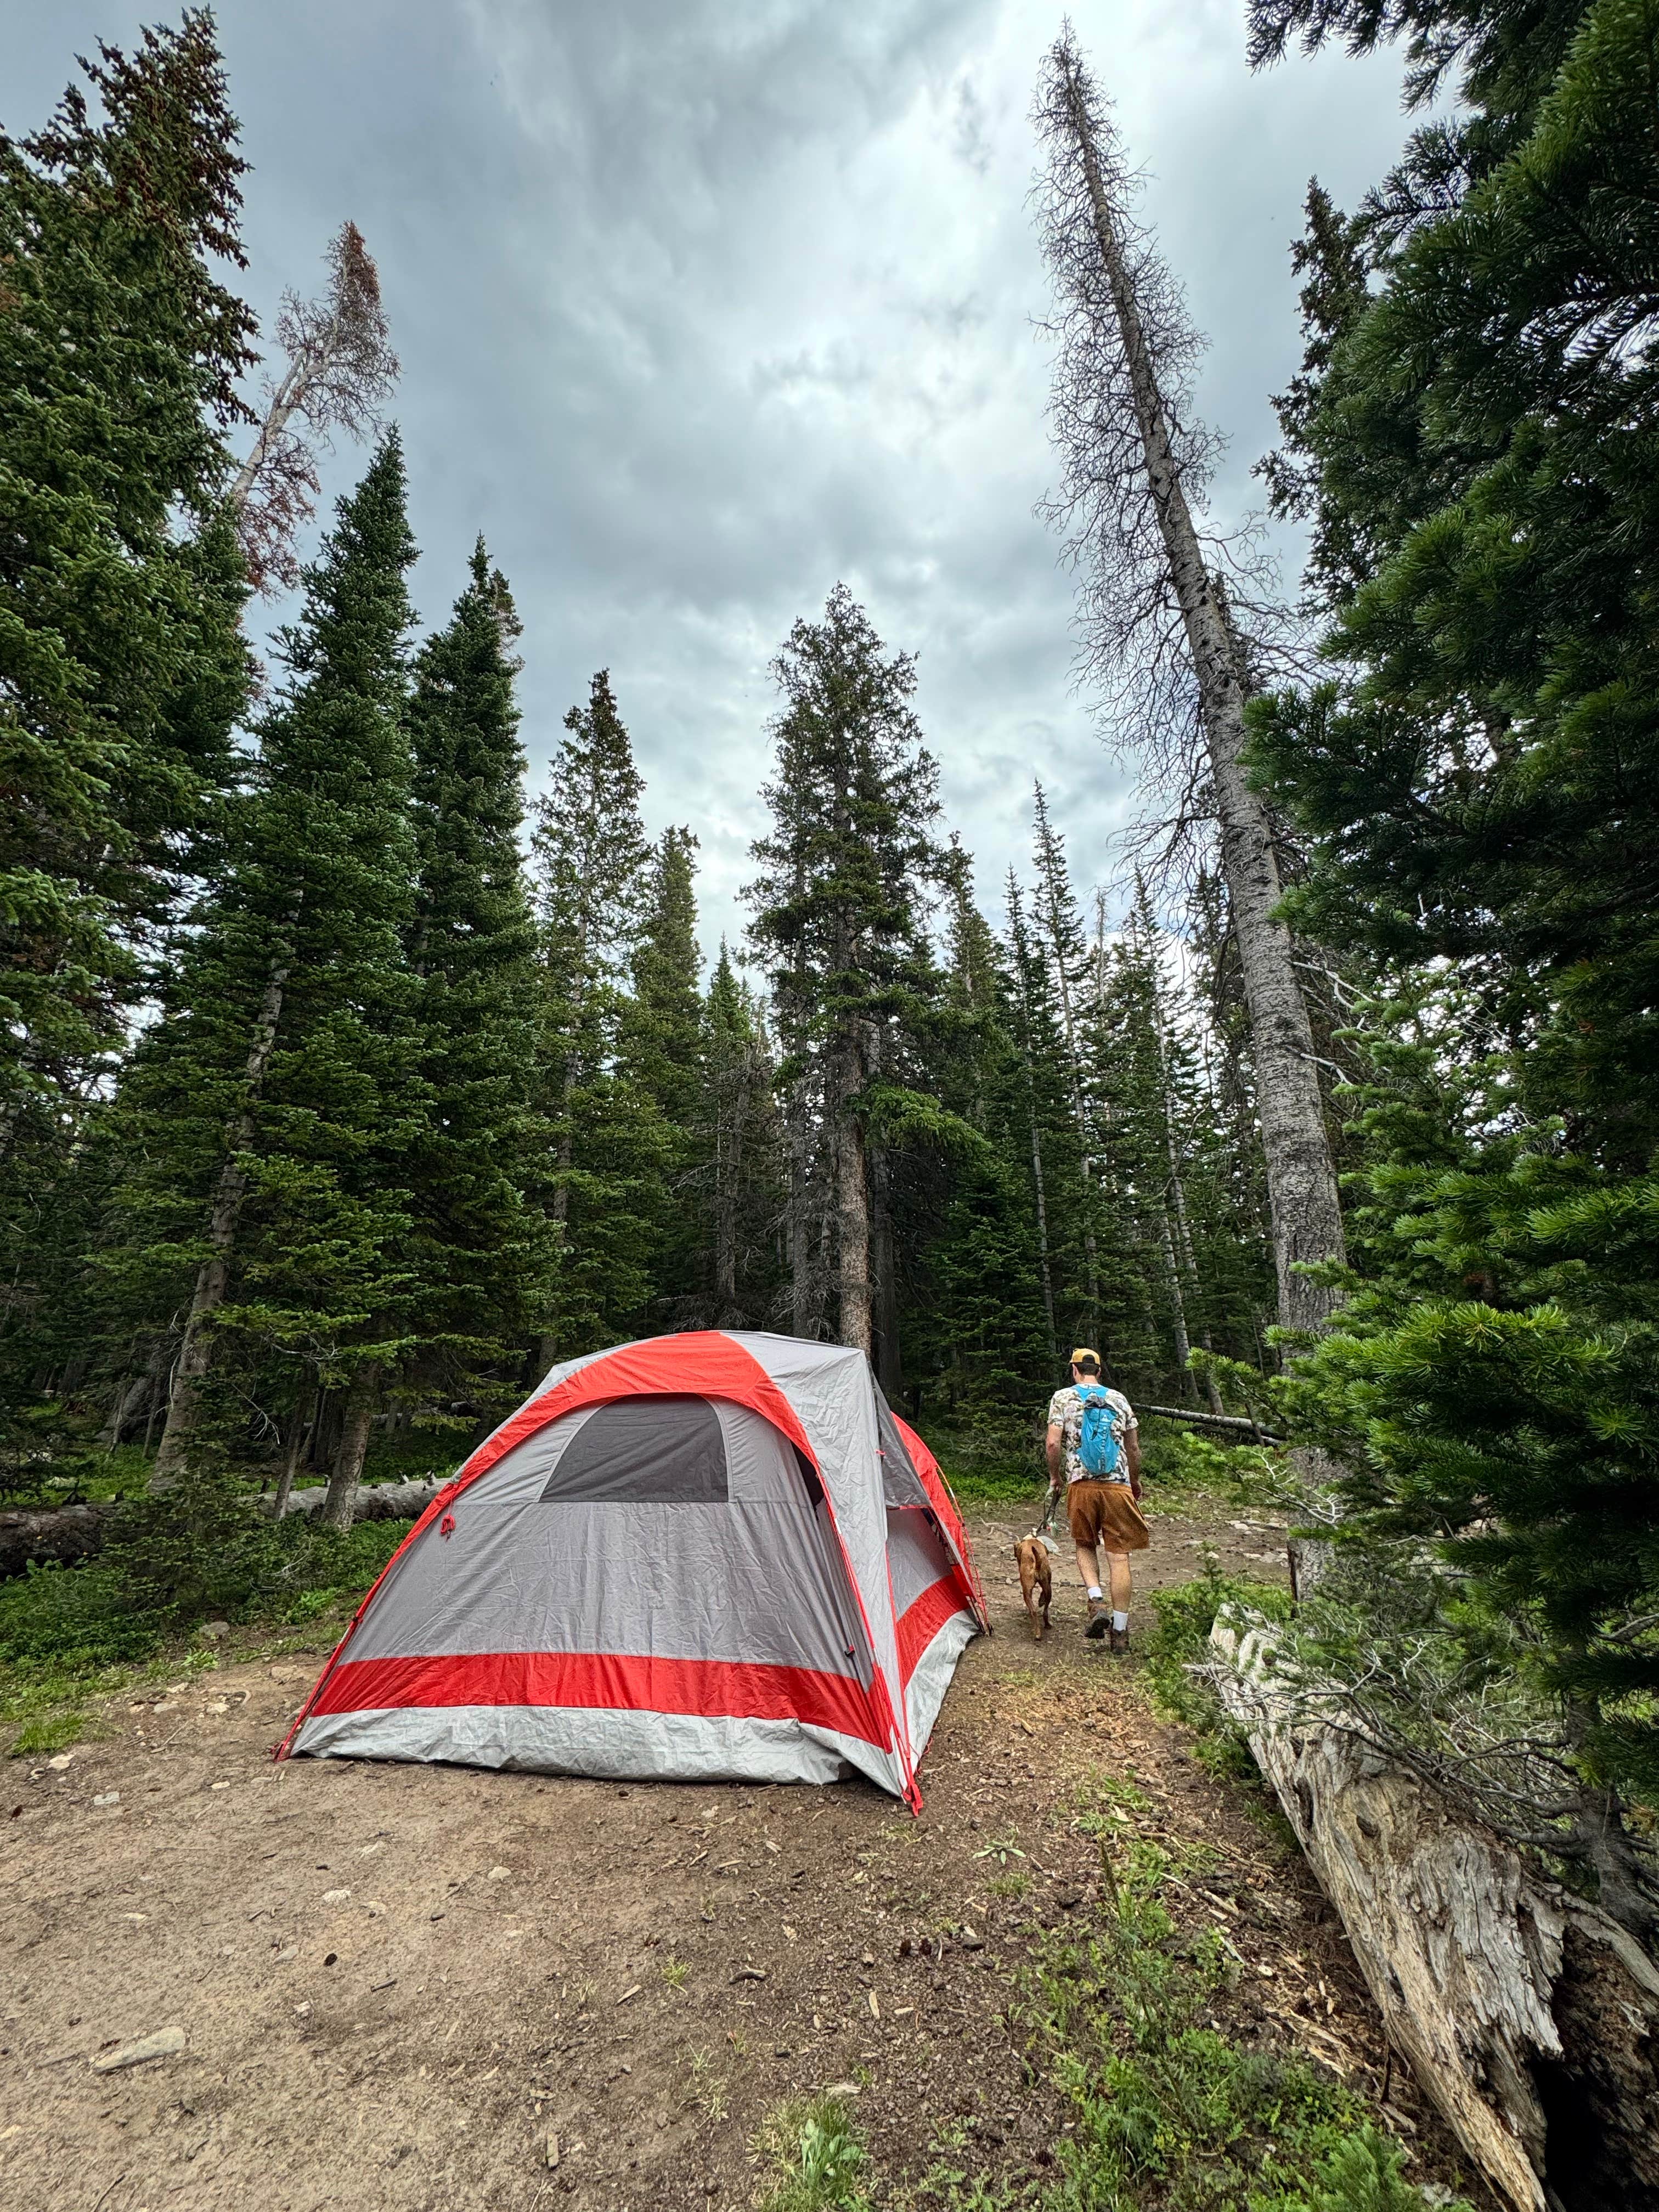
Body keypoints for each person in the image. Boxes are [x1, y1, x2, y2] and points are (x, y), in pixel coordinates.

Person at [1045, 1348, 1147, 1652]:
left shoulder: (1062, 1398)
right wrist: (1135, 1481)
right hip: (1118, 1486)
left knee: (1085, 1544)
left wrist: (1055, 1477)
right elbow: (1134, 1449)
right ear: (1099, 1372)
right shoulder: (1119, 1399)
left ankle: (1095, 1599)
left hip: (1081, 1484)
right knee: (1119, 1556)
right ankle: (1120, 1632)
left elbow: (1053, 1443)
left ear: (1075, 1370)